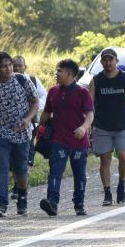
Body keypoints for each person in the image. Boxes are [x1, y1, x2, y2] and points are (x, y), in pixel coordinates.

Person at [0, 52, 39, 217]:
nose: (8, 68)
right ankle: (1, 203)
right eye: (4, 66)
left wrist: (27, 119)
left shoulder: (22, 80)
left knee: (20, 169)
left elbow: (35, 101)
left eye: (10, 64)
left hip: (21, 132)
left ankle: (23, 195)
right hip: (0, 132)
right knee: (1, 167)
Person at [88, 49, 125, 206]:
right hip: (102, 126)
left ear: (116, 61)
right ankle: (107, 192)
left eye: (111, 60)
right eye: (105, 60)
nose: (108, 63)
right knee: (105, 159)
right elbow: (88, 106)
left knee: (123, 156)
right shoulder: (96, 80)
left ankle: (121, 186)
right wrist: (87, 125)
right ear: (101, 63)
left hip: (123, 126)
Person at [38, 60, 94, 217]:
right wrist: (37, 123)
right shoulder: (53, 91)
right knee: (55, 172)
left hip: (79, 141)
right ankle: (52, 203)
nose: (56, 74)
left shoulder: (83, 93)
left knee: (79, 174)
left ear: (69, 74)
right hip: (58, 140)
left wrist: (83, 128)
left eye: (59, 71)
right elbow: (47, 113)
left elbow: (90, 114)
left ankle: (79, 204)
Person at [12, 55, 48, 168]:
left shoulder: (32, 80)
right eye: (14, 66)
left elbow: (44, 96)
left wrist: (35, 106)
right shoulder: (7, 81)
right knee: (14, 153)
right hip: (11, 124)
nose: (17, 68)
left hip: (31, 124)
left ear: (25, 67)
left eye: (19, 66)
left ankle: (25, 174)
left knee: (28, 151)